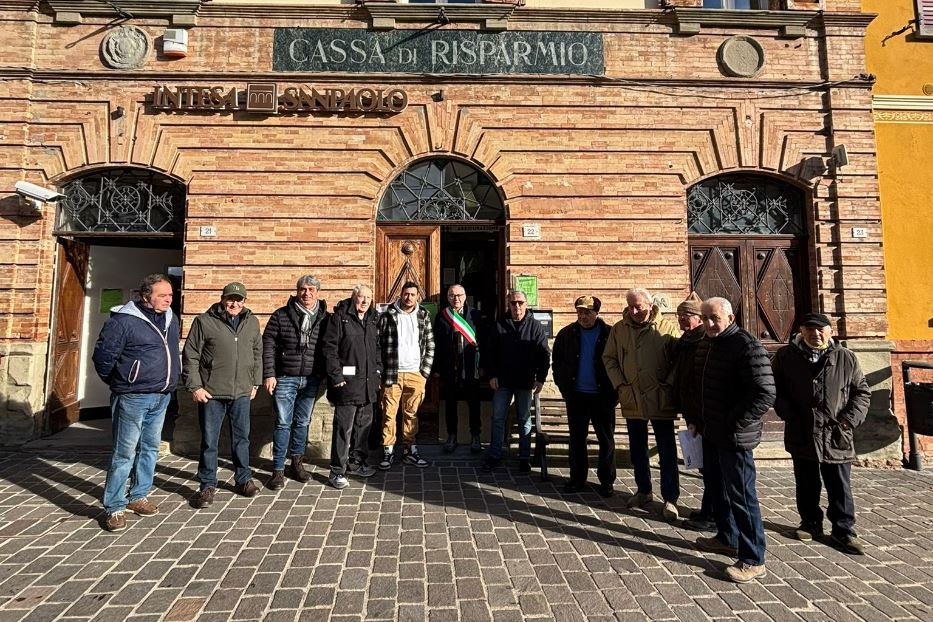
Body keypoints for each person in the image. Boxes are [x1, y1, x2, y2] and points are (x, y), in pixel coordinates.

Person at [772, 312, 871, 555]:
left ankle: (844, 529)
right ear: (801, 331)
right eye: (810, 329)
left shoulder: (845, 357)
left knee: (839, 483)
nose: (816, 334)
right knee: (806, 481)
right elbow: (774, 389)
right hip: (802, 429)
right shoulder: (786, 357)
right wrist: (788, 414)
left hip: (836, 432)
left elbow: (862, 393)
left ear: (830, 331)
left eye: (821, 329)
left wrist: (847, 422)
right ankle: (810, 523)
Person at [693, 297, 775, 583]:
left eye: (714, 318)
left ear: (729, 316)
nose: (709, 323)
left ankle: (753, 558)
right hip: (711, 432)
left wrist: (734, 423)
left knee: (742, 495)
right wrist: (698, 420)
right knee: (718, 489)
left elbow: (765, 393)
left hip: (734, 436)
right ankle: (727, 537)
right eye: (704, 318)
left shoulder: (747, 345)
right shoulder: (707, 343)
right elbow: (702, 385)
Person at [93, 274, 180, 532]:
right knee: (124, 452)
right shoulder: (122, 322)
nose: (168, 299)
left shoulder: (170, 318)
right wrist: (123, 382)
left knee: (150, 447)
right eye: (162, 295)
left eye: (170, 295)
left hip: (162, 395)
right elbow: (103, 358)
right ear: (145, 296)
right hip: (132, 396)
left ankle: (138, 496)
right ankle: (114, 506)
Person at [182, 282, 263, 508]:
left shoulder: (252, 322)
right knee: (209, 441)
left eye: (239, 299)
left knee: (242, 439)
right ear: (222, 299)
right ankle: (207, 484)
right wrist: (195, 387)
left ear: (245, 302)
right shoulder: (204, 322)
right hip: (211, 393)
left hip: (241, 393)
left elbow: (258, 353)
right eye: (230, 299)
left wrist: (255, 382)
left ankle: (243, 479)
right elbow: (191, 355)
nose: (234, 303)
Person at [602, 288, 680, 520]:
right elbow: (610, 358)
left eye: (639, 306)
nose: (635, 311)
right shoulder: (619, 329)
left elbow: (679, 361)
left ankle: (670, 498)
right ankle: (644, 490)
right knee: (638, 448)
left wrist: (668, 384)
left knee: (667, 450)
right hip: (632, 397)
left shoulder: (667, 327)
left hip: (660, 397)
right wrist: (620, 385)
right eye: (631, 307)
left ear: (649, 304)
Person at [262, 275, 329, 490]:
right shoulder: (281, 315)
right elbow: (268, 345)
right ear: (297, 291)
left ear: (317, 292)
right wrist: (269, 374)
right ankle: (278, 469)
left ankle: (297, 463)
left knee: (302, 422)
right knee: (283, 422)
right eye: (303, 289)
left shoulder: (325, 317)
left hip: (311, 378)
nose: (306, 293)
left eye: (311, 289)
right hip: (285, 377)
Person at [552, 295, 617, 496]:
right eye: (580, 312)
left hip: (602, 396)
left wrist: (615, 393)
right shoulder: (567, 334)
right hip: (577, 396)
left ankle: (606, 481)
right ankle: (577, 478)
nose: (583, 316)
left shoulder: (610, 334)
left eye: (587, 312)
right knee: (577, 439)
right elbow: (557, 363)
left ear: (597, 312)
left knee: (606, 440)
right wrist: (565, 389)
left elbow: (620, 362)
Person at [482, 290, 550, 472]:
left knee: (524, 419)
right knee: (497, 418)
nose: (517, 306)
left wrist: (541, 378)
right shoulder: (499, 325)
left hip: (525, 381)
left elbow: (544, 354)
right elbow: (489, 353)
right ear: (508, 304)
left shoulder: (535, 326)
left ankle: (524, 457)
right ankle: (495, 455)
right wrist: (492, 375)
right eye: (513, 303)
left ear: (526, 304)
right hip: (502, 381)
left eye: (520, 302)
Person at [322, 284, 382, 489]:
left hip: (368, 385)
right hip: (346, 384)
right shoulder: (340, 318)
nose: (364, 301)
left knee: (363, 427)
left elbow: (377, 349)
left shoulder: (374, 319)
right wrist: (336, 376)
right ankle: (337, 470)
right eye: (361, 297)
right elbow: (329, 349)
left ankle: (357, 463)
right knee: (343, 429)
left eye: (368, 298)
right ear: (353, 298)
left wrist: (378, 371)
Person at [377, 281, 435, 470]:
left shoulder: (423, 315)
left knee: (412, 414)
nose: (409, 297)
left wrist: (424, 373)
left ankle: (410, 450)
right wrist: (380, 370)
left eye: (412, 294)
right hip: (392, 372)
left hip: (415, 373)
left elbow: (430, 344)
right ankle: (388, 450)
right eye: (406, 294)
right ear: (401, 294)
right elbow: (378, 343)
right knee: (389, 414)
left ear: (417, 296)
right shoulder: (388, 315)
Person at [672, 292, 714, 532]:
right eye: (679, 316)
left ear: (699, 318)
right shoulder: (686, 341)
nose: (681, 320)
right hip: (692, 413)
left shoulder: (704, 341)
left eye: (686, 315)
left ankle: (712, 514)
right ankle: (709, 508)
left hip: (703, 414)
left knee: (710, 467)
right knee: (703, 465)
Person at [434, 284, 483, 454]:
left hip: (471, 367)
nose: (456, 299)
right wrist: (437, 367)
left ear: (465, 296)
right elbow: (437, 345)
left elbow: (483, 343)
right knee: (450, 403)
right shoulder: (441, 317)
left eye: (459, 295)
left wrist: (483, 365)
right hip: (450, 367)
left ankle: (475, 436)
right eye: (452, 295)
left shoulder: (475, 315)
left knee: (473, 402)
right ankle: (451, 436)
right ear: (447, 297)